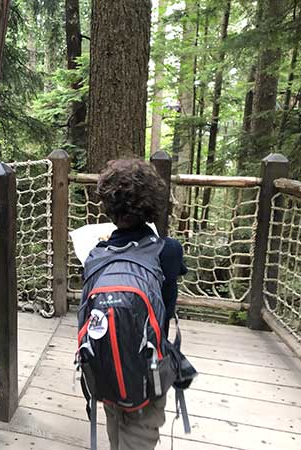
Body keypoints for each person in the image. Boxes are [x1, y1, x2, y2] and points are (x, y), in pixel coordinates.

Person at [83, 159, 187, 450]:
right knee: (140, 435)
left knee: (115, 427)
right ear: (152, 204)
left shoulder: (95, 253)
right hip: (149, 371)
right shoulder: (169, 251)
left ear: (109, 207)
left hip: (107, 369)